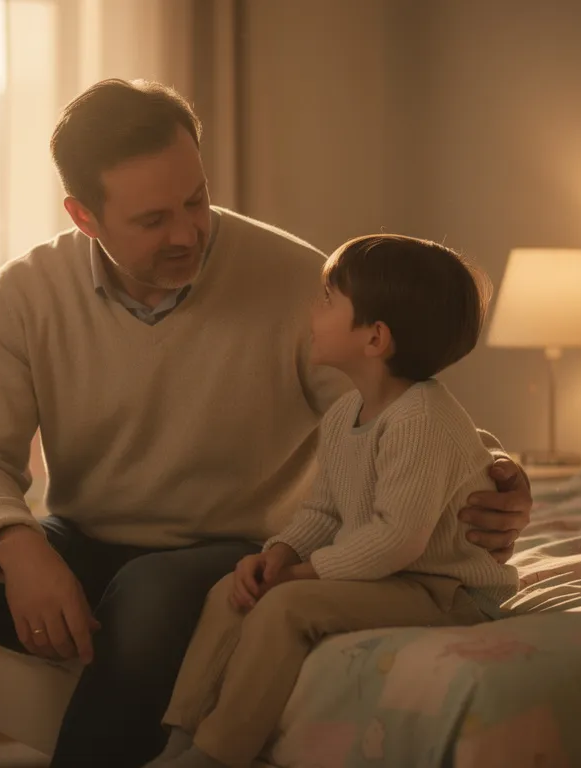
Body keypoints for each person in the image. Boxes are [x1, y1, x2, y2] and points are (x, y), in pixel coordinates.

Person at [0, 78, 535, 768]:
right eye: (153, 219)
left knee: (151, 592)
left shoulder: (296, 281)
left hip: (229, 550)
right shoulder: (25, 293)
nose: (189, 231)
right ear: (84, 216)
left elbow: (402, 399)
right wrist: (20, 550)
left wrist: (496, 474)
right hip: (81, 540)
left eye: (195, 199)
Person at [147, 234, 518, 768]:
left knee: (286, 606)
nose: (312, 310)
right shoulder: (346, 414)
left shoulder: (422, 420)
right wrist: (280, 554)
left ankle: (217, 753)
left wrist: (302, 577)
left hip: (446, 591)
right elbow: (324, 513)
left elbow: (395, 540)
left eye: (326, 299)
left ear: (374, 339)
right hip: (393, 578)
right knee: (234, 589)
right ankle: (181, 737)